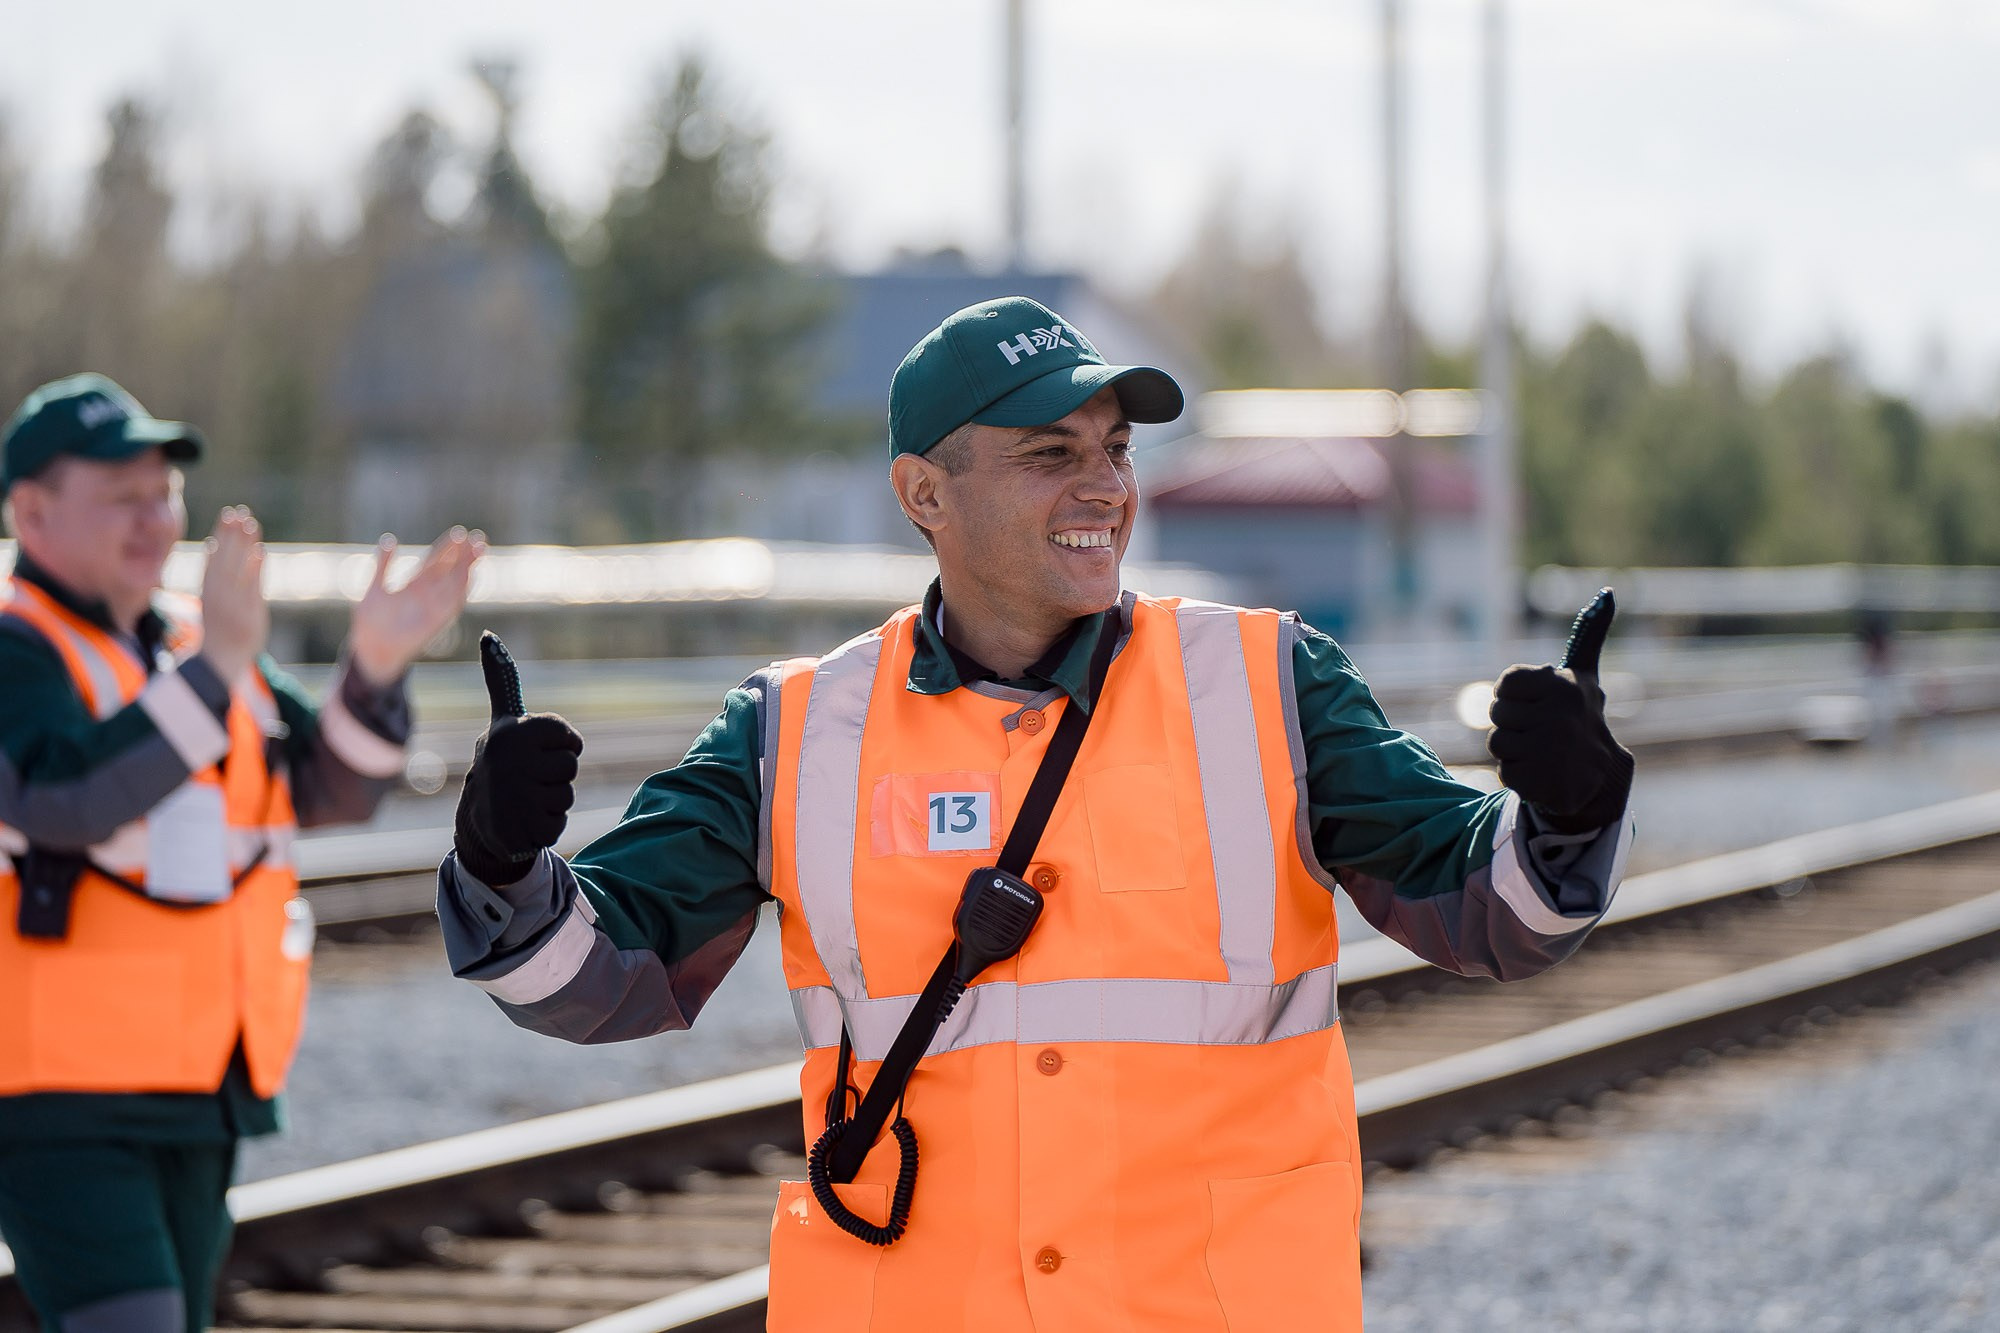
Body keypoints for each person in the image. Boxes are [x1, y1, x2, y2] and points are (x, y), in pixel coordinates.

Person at [440, 297, 1635, 1332]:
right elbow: (600, 979)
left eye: (1114, 449)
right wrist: (501, 858)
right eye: (1047, 453)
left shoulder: (1271, 685)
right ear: (923, 493)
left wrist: (1568, 811)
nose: (1104, 486)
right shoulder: (791, 733)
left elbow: (1492, 913)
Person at [0, 373, 482, 1333]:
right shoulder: (20, 649)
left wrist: (375, 668)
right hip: (59, 1094)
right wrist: (217, 668)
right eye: (120, 496)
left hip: (199, 1082)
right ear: (31, 511)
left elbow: (330, 787)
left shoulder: (197, 639)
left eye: (162, 494)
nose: (153, 519)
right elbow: (60, 800)